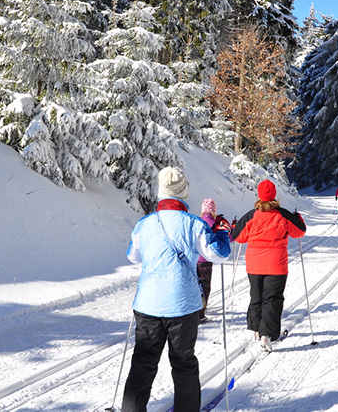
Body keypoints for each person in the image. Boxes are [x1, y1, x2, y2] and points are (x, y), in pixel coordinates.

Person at [122, 167, 232, 412]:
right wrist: (222, 232)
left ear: (161, 192)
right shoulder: (194, 224)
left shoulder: (145, 223)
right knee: (183, 364)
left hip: (148, 305)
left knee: (142, 363)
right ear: (183, 193)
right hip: (183, 306)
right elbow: (219, 254)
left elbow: (133, 256)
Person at [231, 179, 307, 352]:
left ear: (259, 195)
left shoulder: (251, 215)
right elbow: (300, 231)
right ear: (274, 195)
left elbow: (238, 236)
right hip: (276, 265)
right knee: (272, 299)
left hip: (254, 264)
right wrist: (298, 218)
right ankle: (267, 334)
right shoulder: (283, 215)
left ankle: (257, 329)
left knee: (256, 296)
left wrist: (236, 225)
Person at [197, 198, 231, 321]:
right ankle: (200, 313)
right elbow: (228, 238)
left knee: (195, 284)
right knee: (204, 286)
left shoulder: (198, 221)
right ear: (213, 210)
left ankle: (195, 309)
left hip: (195, 258)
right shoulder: (216, 223)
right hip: (207, 259)